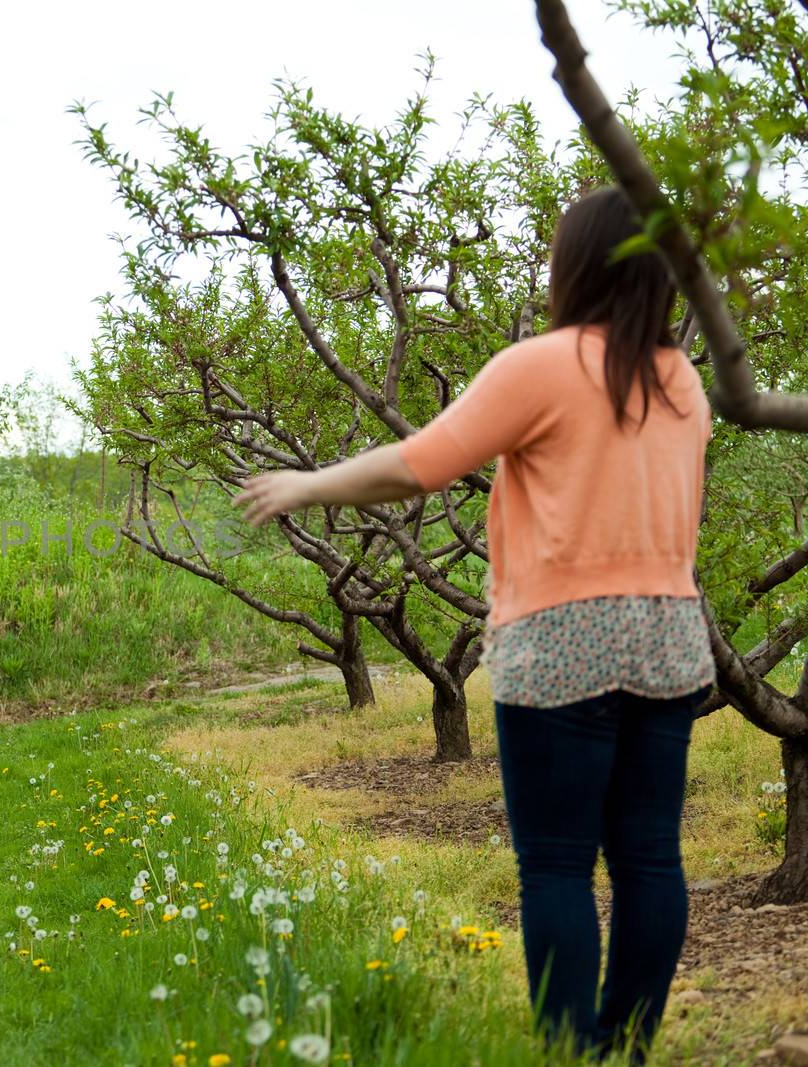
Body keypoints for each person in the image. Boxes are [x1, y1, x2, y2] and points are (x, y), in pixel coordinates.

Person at [235, 186, 713, 1063]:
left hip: (560, 638)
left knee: (559, 863)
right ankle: (627, 1047)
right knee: (650, 859)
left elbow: (420, 466)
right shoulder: (679, 380)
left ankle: (573, 1053)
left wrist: (306, 483)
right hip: (670, 636)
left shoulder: (542, 364)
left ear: (573, 267)